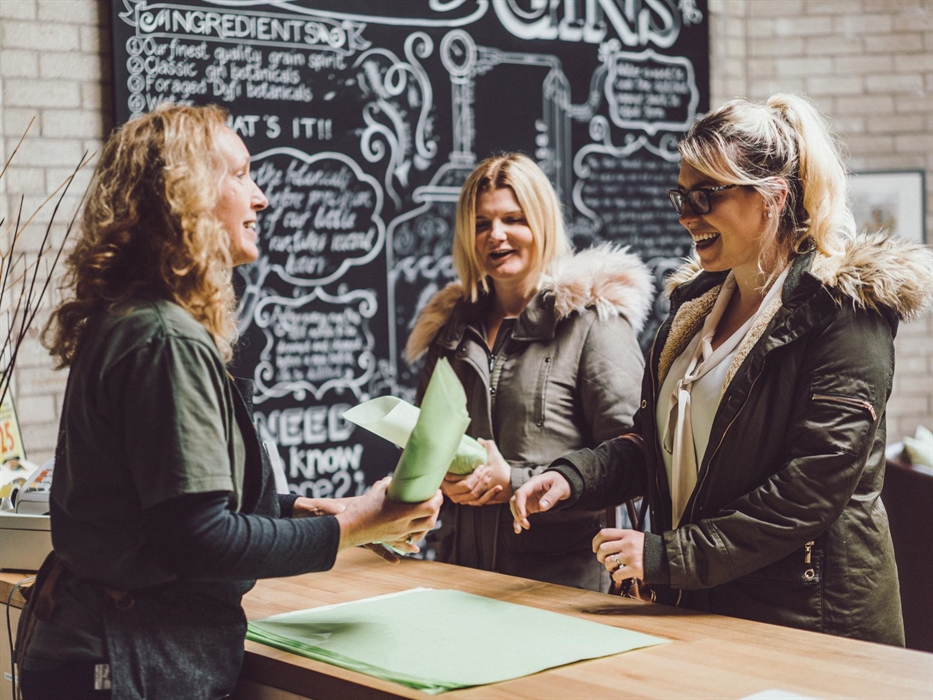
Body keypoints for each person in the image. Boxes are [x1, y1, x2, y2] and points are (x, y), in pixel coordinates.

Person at [16, 103, 442, 699]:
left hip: (100, 649)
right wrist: (356, 525)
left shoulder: (137, 316)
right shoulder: (164, 335)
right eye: (239, 175)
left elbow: (161, 504)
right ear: (181, 193)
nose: (260, 197)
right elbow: (196, 538)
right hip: (126, 662)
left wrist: (299, 509)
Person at [511, 94, 933, 645]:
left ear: (772, 197)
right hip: (706, 605)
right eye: (681, 197)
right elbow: (659, 445)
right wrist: (574, 476)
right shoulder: (695, 309)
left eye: (707, 196)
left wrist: (667, 555)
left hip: (811, 622)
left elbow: (808, 491)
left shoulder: (844, 312)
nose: (688, 215)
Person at [406, 153, 652, 592]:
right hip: (459, 578)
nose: (496, 235)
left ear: (541, 223)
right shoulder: (450, 331)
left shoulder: (591, 323)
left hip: (563, 590)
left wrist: (516, 483)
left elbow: (638, 462)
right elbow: (427, 441)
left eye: (513, 219)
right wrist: (438, 476)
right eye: (481, 224)